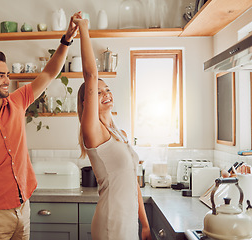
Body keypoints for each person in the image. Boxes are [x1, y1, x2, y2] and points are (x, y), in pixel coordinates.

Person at [0, 14, 79, 240]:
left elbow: (49, 73)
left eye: (7, 74)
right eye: (0, 75)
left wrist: (66, 39)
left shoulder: (18, 101)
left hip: (23, 207)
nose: (7, 80)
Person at [73, 13, 152, 240]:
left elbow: (132, 182)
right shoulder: (93, 132)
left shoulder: (121, 134)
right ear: (86, 103)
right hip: (111, 221)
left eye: (107, 89)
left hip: (129, 220)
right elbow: (90, 74)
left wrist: (144, 224)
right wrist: (84, 29)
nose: (105, 93)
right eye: (97, 92)